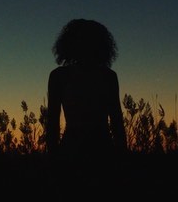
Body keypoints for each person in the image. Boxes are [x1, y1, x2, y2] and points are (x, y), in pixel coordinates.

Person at [46, 18, 127, 158]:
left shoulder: (108, 76)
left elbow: (117, 120)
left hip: (96, 149)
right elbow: (52, 121)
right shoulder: (59, 76)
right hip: (82, 149)